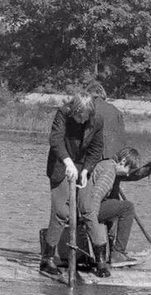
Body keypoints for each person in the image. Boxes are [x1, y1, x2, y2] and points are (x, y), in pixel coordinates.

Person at [40, 92, 104, 277]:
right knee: (61, 211)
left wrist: (86, 170)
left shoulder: (96, 119)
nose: (83, 120)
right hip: (61, 164)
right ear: (74, 110)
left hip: (83, 165)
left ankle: (100, 260)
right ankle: (47, 259)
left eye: (86, 116)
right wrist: (67, 162)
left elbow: (96, 148)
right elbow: (55, 140)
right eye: (79, 116)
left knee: (87, 208)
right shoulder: (63, 113)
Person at [77, 146, 143, 275]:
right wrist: (92, 223)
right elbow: (95, 197)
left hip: (85, 207)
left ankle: (114, 250)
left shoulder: (106, 165)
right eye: (129, 169)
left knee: (118, 205)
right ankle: (118, 252)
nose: (128, 174)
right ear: (123, 161)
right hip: (88, 209)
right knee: (128, 207)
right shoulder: (109, 171)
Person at [85, 80, 126, 159]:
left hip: (92, 156)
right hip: (113, 156)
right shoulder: (116, 111)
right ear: (103, 94)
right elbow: (122, 139)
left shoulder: (86, 109)